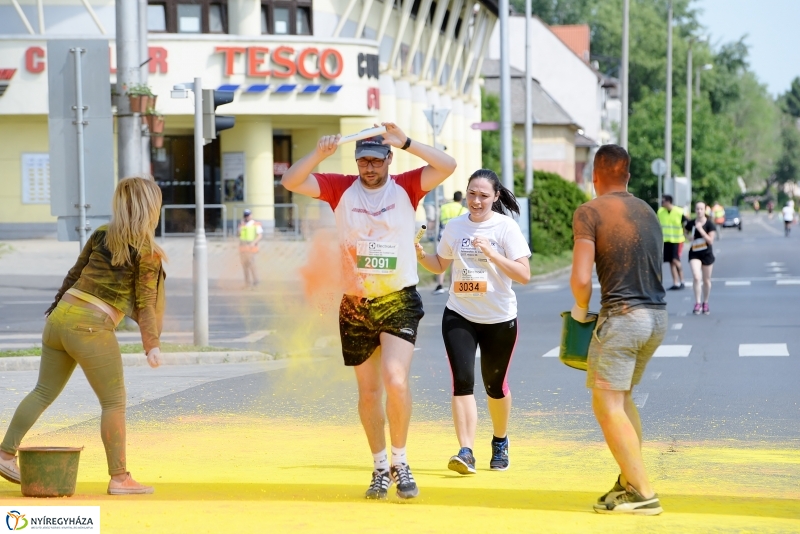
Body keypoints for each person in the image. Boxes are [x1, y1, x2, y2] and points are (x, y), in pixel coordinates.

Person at [280, 123, 456, 500]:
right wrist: (319, 154)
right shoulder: (340, 188)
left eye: (376, 160)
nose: (369, 168)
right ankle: (379, 467)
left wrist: (407, 142)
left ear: (389, 159)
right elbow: (291, 181)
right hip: (356, 304)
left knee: (395, 379)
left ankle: (400, 461)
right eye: (363, 161)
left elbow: (448, 166)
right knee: (369, 392)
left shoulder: (406, 186)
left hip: (398, 299)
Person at [0, 177, 166, 495]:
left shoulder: (102, 233)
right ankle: (120, 478)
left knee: (42, 391)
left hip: (60, 318)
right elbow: (146, 303)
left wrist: (55, 309)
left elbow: (74, 275)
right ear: (151, 209)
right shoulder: (147, 252)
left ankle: (5, 454)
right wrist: (152, 345)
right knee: (113, 402)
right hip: (90, 327)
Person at [570, 145, 667, 516]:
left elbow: (582, 279)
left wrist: (580, 312)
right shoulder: (647, 211)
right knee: (622, 400)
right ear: (627, 175)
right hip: (656, 318)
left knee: (606, 405)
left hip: (623, 318)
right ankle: (629, 480)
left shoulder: (590, 212)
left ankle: (643, 492)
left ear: (594, 176)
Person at [415, 170, 530, 475]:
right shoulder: (455, 226)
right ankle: (465, 451)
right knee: (462, 382)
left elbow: (524, 274)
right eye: (472, 194)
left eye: (483, 196)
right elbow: (440, 264)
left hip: (499, 318)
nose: (476, 201)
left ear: (495, 197)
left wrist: (492, 254)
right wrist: (421, 255)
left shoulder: (505, 227)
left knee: (495, 386)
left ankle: (500, 440)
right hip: (459, 314)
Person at [432, 191, 468, 295]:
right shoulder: (463, 209)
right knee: (454, 261)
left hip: (443, 234)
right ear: (460, 199)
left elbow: (438, 220)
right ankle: (452, 285)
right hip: (456, 236)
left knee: (441, 260)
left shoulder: (444, 207)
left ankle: (439, 284)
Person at [685, 202, 717, 315]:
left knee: (706, 280)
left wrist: (701, 230)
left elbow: (710, 241)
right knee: (696, 276)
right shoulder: (691, 223)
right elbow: (685, 231)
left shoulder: (709, 224)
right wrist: (688, 237)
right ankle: (697, 302)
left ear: (705, 210)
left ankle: (705, 302)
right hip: (694, 253)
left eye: (701, 209)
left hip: (706, 253)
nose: (699, 211)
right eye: (697, 209)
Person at [657, 195, 687, 290]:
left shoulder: (679, 211)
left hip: (677, 240)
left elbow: (686, 224)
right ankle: (675, 283)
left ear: (669, 202)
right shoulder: (660, 212)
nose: (662, 203)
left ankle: (682, 281)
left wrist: (687, 235)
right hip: (666, 240)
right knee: (671, 262)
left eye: (663, 201)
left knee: (675, 260)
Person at [238, 209, 263, 288]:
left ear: (251, 215)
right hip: (243, 246)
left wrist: (253, 243)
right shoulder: (242, 224)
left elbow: (260, 235)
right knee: (244, 265)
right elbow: (239, 234)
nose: (247, 217)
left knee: (251, 263)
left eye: (248, 215)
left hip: (251, 246)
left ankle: (256, 281)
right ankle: (247, 282)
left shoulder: (256, 224)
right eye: (245, 215)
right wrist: (241, 227)